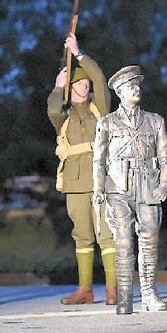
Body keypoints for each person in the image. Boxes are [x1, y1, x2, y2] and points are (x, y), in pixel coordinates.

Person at [93, 65, 167, 314]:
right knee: (124, 241)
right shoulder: (106, 123)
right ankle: (125, 297)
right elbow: (98, 159)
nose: (135, 89)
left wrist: (164, 184)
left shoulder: (155, 121)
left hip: (148, 186)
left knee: (149, 239)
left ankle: (149, 295)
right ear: (119, 92)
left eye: (137, 85)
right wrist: (97, 189)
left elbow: (165, 156)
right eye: (129, 86)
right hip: (117, 187)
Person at [47, 33, 117, 305]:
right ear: (70, 88)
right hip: (75, 182)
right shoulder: (63, 115)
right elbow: (53, 110)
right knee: (82, 235)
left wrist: (79, 54)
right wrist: (57, 87)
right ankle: (85, 290)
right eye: (79, 84)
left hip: (101, 178)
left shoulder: (100, 107)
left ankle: (113, 289)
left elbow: (100, 78)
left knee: (107, 234)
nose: (86, 87)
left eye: (86, 84)